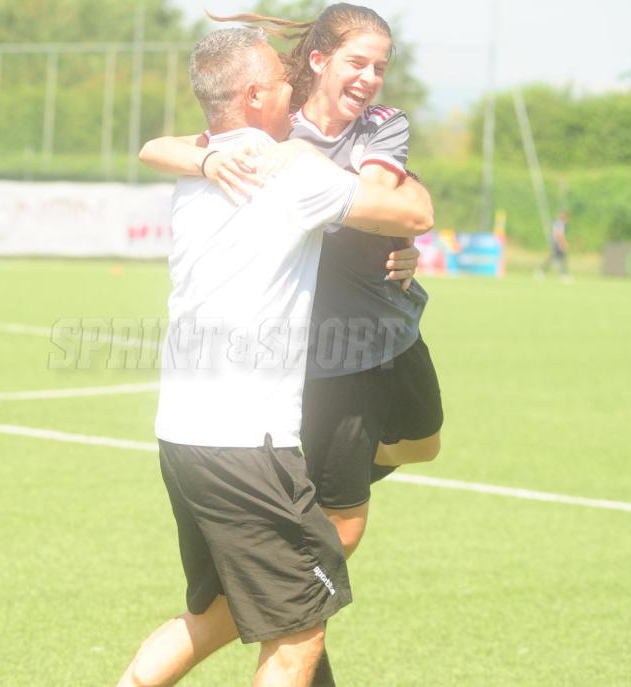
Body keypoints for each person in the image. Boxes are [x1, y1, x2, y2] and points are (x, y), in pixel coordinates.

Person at [118, 27, 432, 687]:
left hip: (182, 435)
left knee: (215, 612)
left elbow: (160, 146)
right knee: (298, 636)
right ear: (257, 95)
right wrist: (403, 230)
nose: (294, 85)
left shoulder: (203, 167)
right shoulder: (291, 172)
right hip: (249, 445)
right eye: (282, 80)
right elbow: (412, 212)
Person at [538, 211, 570, 280]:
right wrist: (563, 244)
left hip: (555, 243)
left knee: (559, 259)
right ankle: (542, 271)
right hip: (557, 244)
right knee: (557, 259)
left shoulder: (558, 223)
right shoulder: (560, 224)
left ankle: (542, 272)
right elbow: (559, 235)